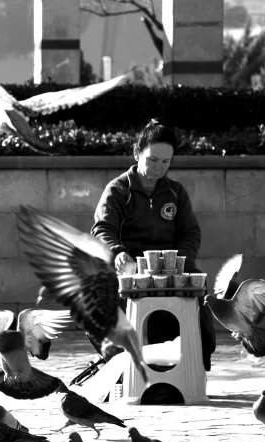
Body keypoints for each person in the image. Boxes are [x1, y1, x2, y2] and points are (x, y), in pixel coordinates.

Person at [90, 118, 217, 372]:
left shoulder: (176, 193)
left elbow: (190, 233)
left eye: (165, 162)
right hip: (130, 267)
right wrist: (118, 252)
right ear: (137, 153)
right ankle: (120, 365)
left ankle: (192, 362)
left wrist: (181, 260)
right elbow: (102, 230)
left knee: (196, 294)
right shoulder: (117, 191)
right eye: (152, 160)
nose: (159, 168)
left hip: (170, 266)